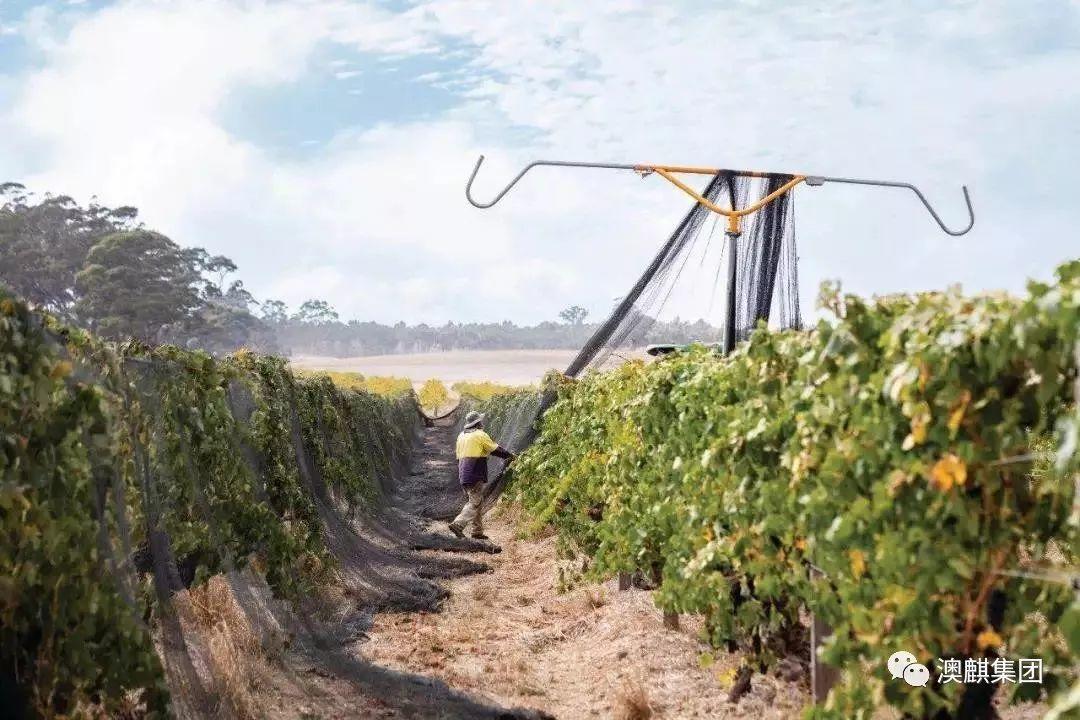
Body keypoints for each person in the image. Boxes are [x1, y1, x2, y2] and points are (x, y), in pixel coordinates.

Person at [449, 410, 515, 540]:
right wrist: (510, 456)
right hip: (475, 472)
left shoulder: (461, 436)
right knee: (475, 502)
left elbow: (458, 457)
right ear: (478, 423)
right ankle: (458, 523)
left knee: (477, 501)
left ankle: (477, 531)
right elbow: (495, 449)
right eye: (481, 421)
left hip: (463, 473)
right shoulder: (480, 435)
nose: (482, 423)